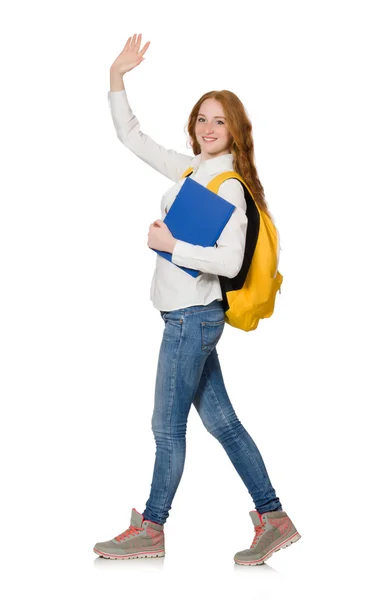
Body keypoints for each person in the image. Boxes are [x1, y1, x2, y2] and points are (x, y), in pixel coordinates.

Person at [94, 33, 301, 566]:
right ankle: (274, 519)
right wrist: (117, 76)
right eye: (202, 119)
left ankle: (152, 528)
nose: (208, 128)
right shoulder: (193, 171)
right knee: (223, 424)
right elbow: (133, 138)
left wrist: (170, 244)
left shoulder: (226, 186)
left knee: (167, 429)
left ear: (235, 131)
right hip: (186, 318)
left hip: (191, 320)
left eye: (219, 121)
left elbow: (229, 263)